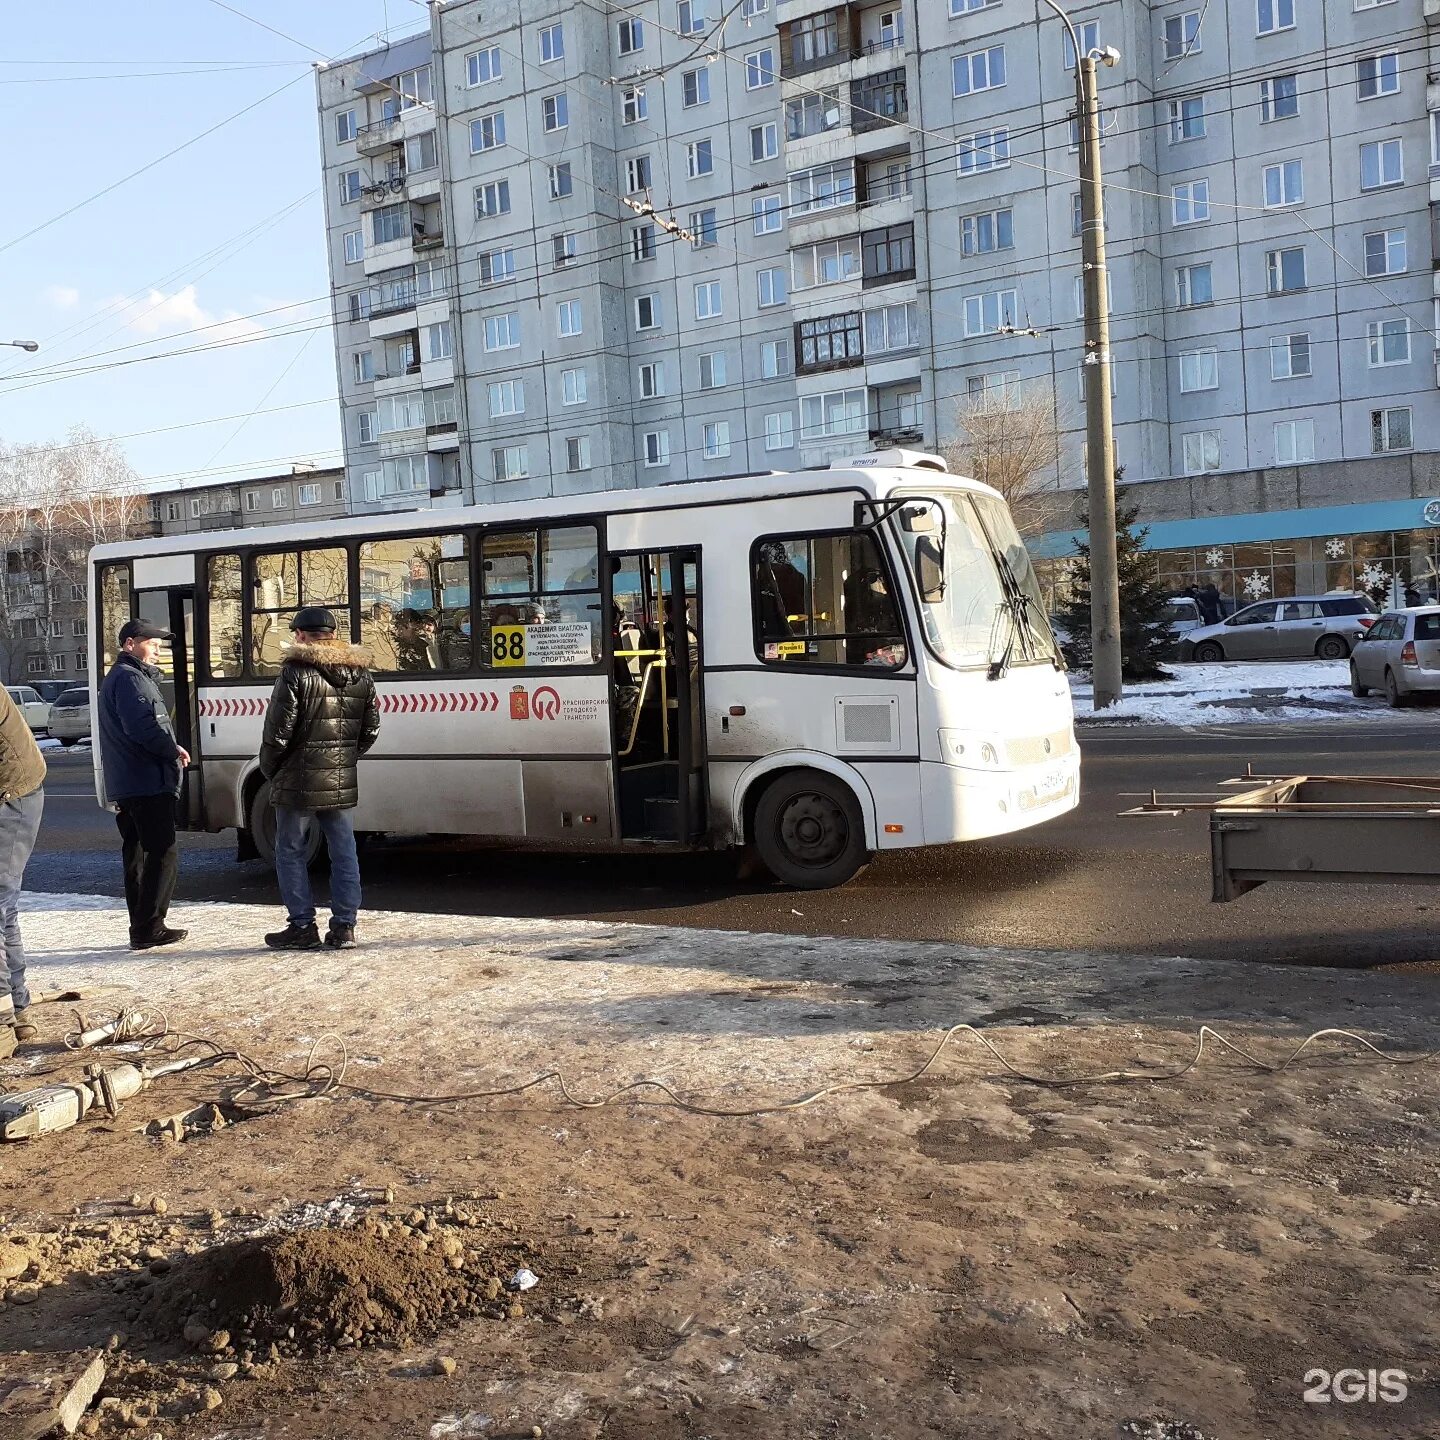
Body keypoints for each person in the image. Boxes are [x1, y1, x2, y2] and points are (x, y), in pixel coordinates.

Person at [257, 607, 380, 950]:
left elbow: (277, 734)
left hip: (296, 780)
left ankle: (301, 926)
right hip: (340, 778)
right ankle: (345, 927)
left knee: (291, 850)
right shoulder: (361, 674)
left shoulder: (294, 673)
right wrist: (343, 760)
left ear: (300, 635)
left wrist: (272, 771)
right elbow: (370, 729)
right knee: (344, 850)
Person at [98, 618, 189, 951]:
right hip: (146, 781)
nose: (157, 649)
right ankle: (149, 926)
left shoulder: (127, 678)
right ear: (130, 644)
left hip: (132, 780)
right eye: (152, 643)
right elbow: (142, 729)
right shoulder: (129, 680)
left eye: (159, 644)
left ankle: (142, 927)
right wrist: (171, 750)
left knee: (137, 854)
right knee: (162, 852)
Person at [0, 685, 46, 1057]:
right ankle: (18, 1008)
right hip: (14, 792)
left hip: (12, 796)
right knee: (3, 907)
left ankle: (4, 1017)